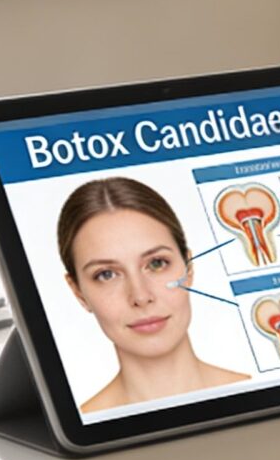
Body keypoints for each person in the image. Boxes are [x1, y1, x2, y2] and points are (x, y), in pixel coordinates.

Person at [56, 177, 248, 413]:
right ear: (78, 292)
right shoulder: (82, 424)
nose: (140, 296)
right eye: (106, 274)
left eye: (157, 263)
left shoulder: (260, 392)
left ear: (188, 268)